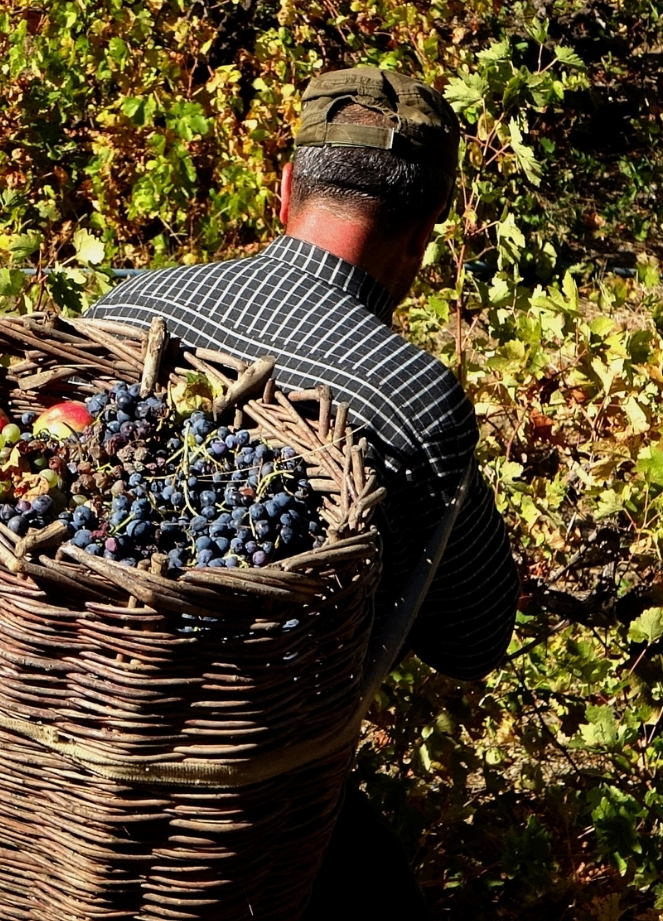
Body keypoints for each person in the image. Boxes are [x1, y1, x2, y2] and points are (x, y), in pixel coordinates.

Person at [83, 66, 521, 918]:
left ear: (286, 188)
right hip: (234, 786)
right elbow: (474, 639)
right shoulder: (414, 398)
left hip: (70, 709)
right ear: (424, 236)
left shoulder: (129, 304)